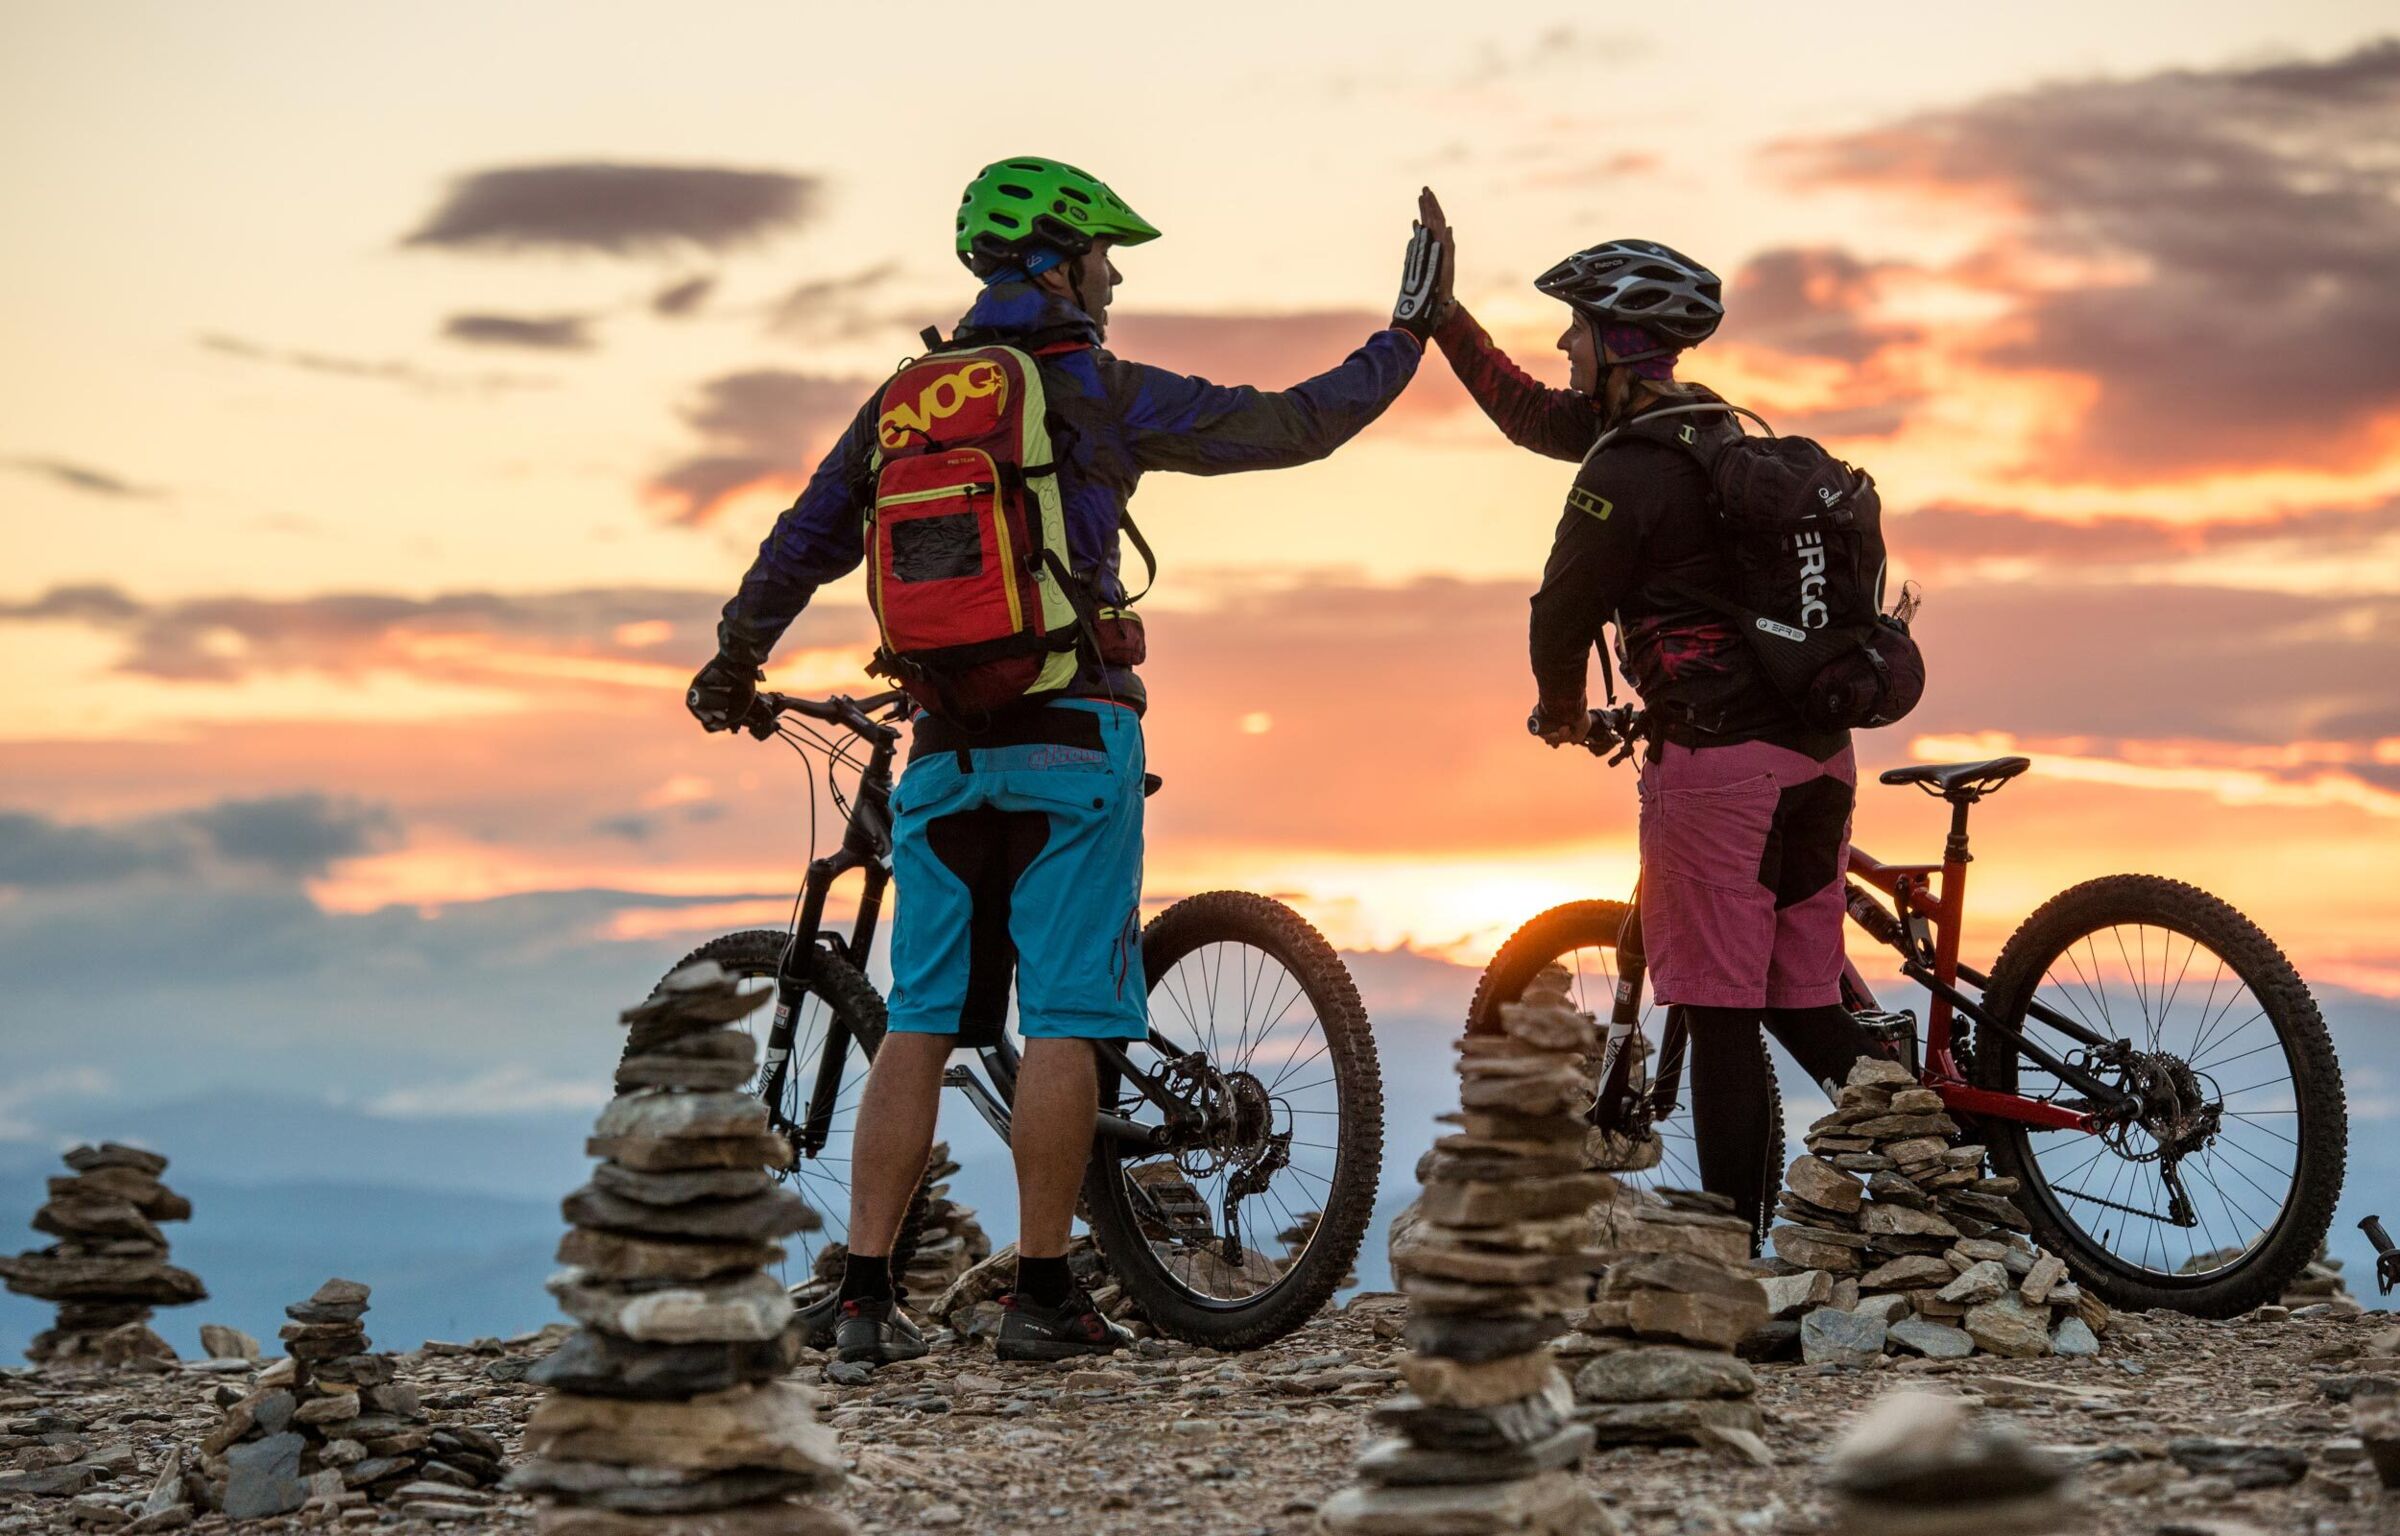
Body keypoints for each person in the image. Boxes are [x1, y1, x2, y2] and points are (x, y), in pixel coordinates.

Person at [687, 158, 1439, 1366]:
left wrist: (734, 658)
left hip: (941, 758)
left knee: (923, 1022)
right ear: (1057, 260)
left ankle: (866, 1303)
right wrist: (1406, 338)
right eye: (1105, 253)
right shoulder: (1091, 389)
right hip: (1073, 738)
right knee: (1069, 1023)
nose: (1117, 273)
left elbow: (802, 541)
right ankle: (1044, 1295)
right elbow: (1294, 424)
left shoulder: (905, 401)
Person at [1413, 189, 1881, 1240]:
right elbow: (1538, 415)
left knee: (1716, 1016)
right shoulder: (1715, 438)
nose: (1565, 344)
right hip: (1817, 759)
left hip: (1715, 769)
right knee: (1803, 1006)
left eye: (1578, 327)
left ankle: (1728, 1256)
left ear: (1621, 341)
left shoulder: (1627, 473)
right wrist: (1448, 320)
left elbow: (1559, 612)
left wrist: (1560, 712)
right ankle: (1941, 1156)